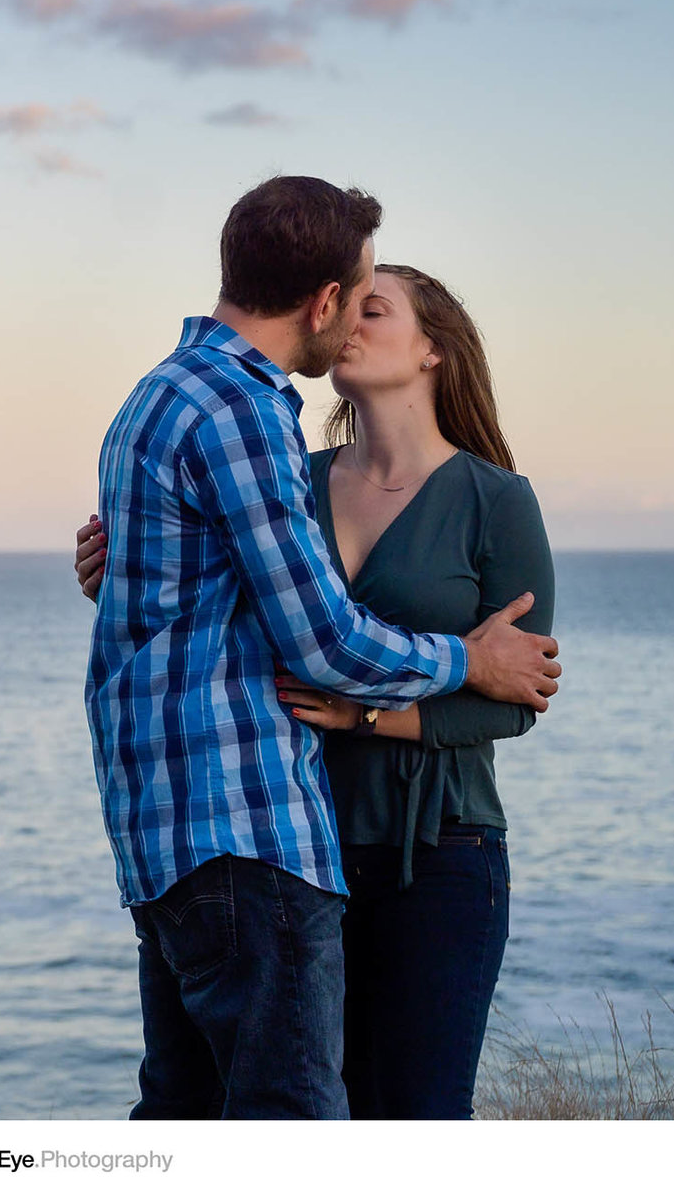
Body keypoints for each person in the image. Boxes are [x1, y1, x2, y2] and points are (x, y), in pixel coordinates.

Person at [77, 175, 559, 1120]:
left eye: (386, 306)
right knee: (277, 1112)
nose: (356, 325)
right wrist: (121, 568)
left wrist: (374, 709)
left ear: (433, 352)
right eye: (360, 298)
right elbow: (296, 626)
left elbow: (521, 686)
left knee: (399, 1117)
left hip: (432, 849)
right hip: (290, 833)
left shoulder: (495, 499)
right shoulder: (281, 455)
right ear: (325, 302)